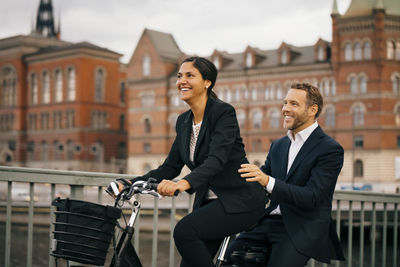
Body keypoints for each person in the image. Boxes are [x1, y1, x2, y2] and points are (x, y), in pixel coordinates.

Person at [131, 56, 267, 267]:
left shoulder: (223, 113)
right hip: (210, 204)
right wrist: (131, 183)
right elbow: (171, 166)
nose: (182, 81)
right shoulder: (183, 121)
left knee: (184, 230)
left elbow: (216, 160)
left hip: (241, 200)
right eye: (179, 76)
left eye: (190, 75)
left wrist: (182, 184)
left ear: (207, 82)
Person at [227, 82, 345, 267]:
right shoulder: (278, 145)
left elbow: (313, 197)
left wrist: (267, 180)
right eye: (285, 103)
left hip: (301, 227)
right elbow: (259, 180)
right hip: (266, 222)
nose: (285, 109)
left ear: (313, 110)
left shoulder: (330, 149)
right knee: (227, 259)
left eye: (294, 104)